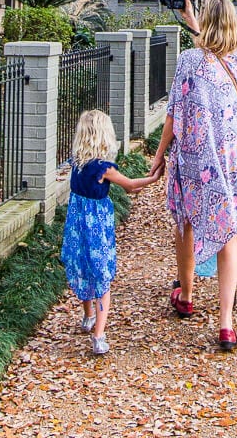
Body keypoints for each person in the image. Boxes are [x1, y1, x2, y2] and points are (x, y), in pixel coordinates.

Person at [150, 0, 237, 353]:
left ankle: (186, 294)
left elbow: (173, 112)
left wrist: (158, 154)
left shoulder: (188, 61)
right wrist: (193, 21)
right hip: (232, 155)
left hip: (197, 156)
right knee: (226, 230)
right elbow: (217, 53)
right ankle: (226, 324)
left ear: (207, 22)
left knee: (185, 220)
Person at [60, 109, 163, 355]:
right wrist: (153, 178)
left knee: (84, 269)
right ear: (104, 135)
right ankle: (99, 336)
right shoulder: (102, 168)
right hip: (97, 229)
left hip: (77, 228)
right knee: (102, 278)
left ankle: (87, 317)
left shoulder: (76, 163)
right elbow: (130, 186)